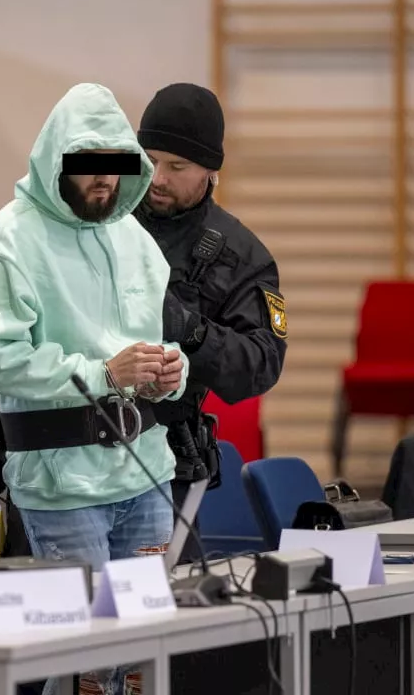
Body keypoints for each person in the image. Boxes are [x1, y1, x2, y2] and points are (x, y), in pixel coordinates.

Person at [0, 83, 187, 695]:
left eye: (115, 170)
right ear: (57, 161)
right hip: (60, 485)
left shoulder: (136, 241)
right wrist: (101, 374)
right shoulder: (4, 242)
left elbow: (148, 344)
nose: (105, 183)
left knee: (140, 659)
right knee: (81, 666)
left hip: (146, 475)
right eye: (89, 168)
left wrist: (171, 371)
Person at [133, 83, 287, 559]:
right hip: (70, 460)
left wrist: (192, 332)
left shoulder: (240, 256)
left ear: (210, 171)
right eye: (149, 159)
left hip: (164, 469)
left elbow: (261, 364)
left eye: (177, 167)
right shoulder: (99, 218)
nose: (157, 178)